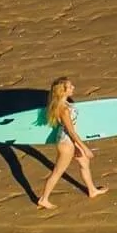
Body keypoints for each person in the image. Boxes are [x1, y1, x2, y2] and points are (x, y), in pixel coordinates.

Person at [34, 76, 106, 209]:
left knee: (84, 163)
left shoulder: (65, 104)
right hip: (66, 144)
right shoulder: (64, 109)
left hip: (70, 140)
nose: (73, 88)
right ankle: (43, 199)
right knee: (58, 172)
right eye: (70, 86)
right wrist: (85, 148)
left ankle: (92, 190)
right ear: (63, 91)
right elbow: (71, 132)